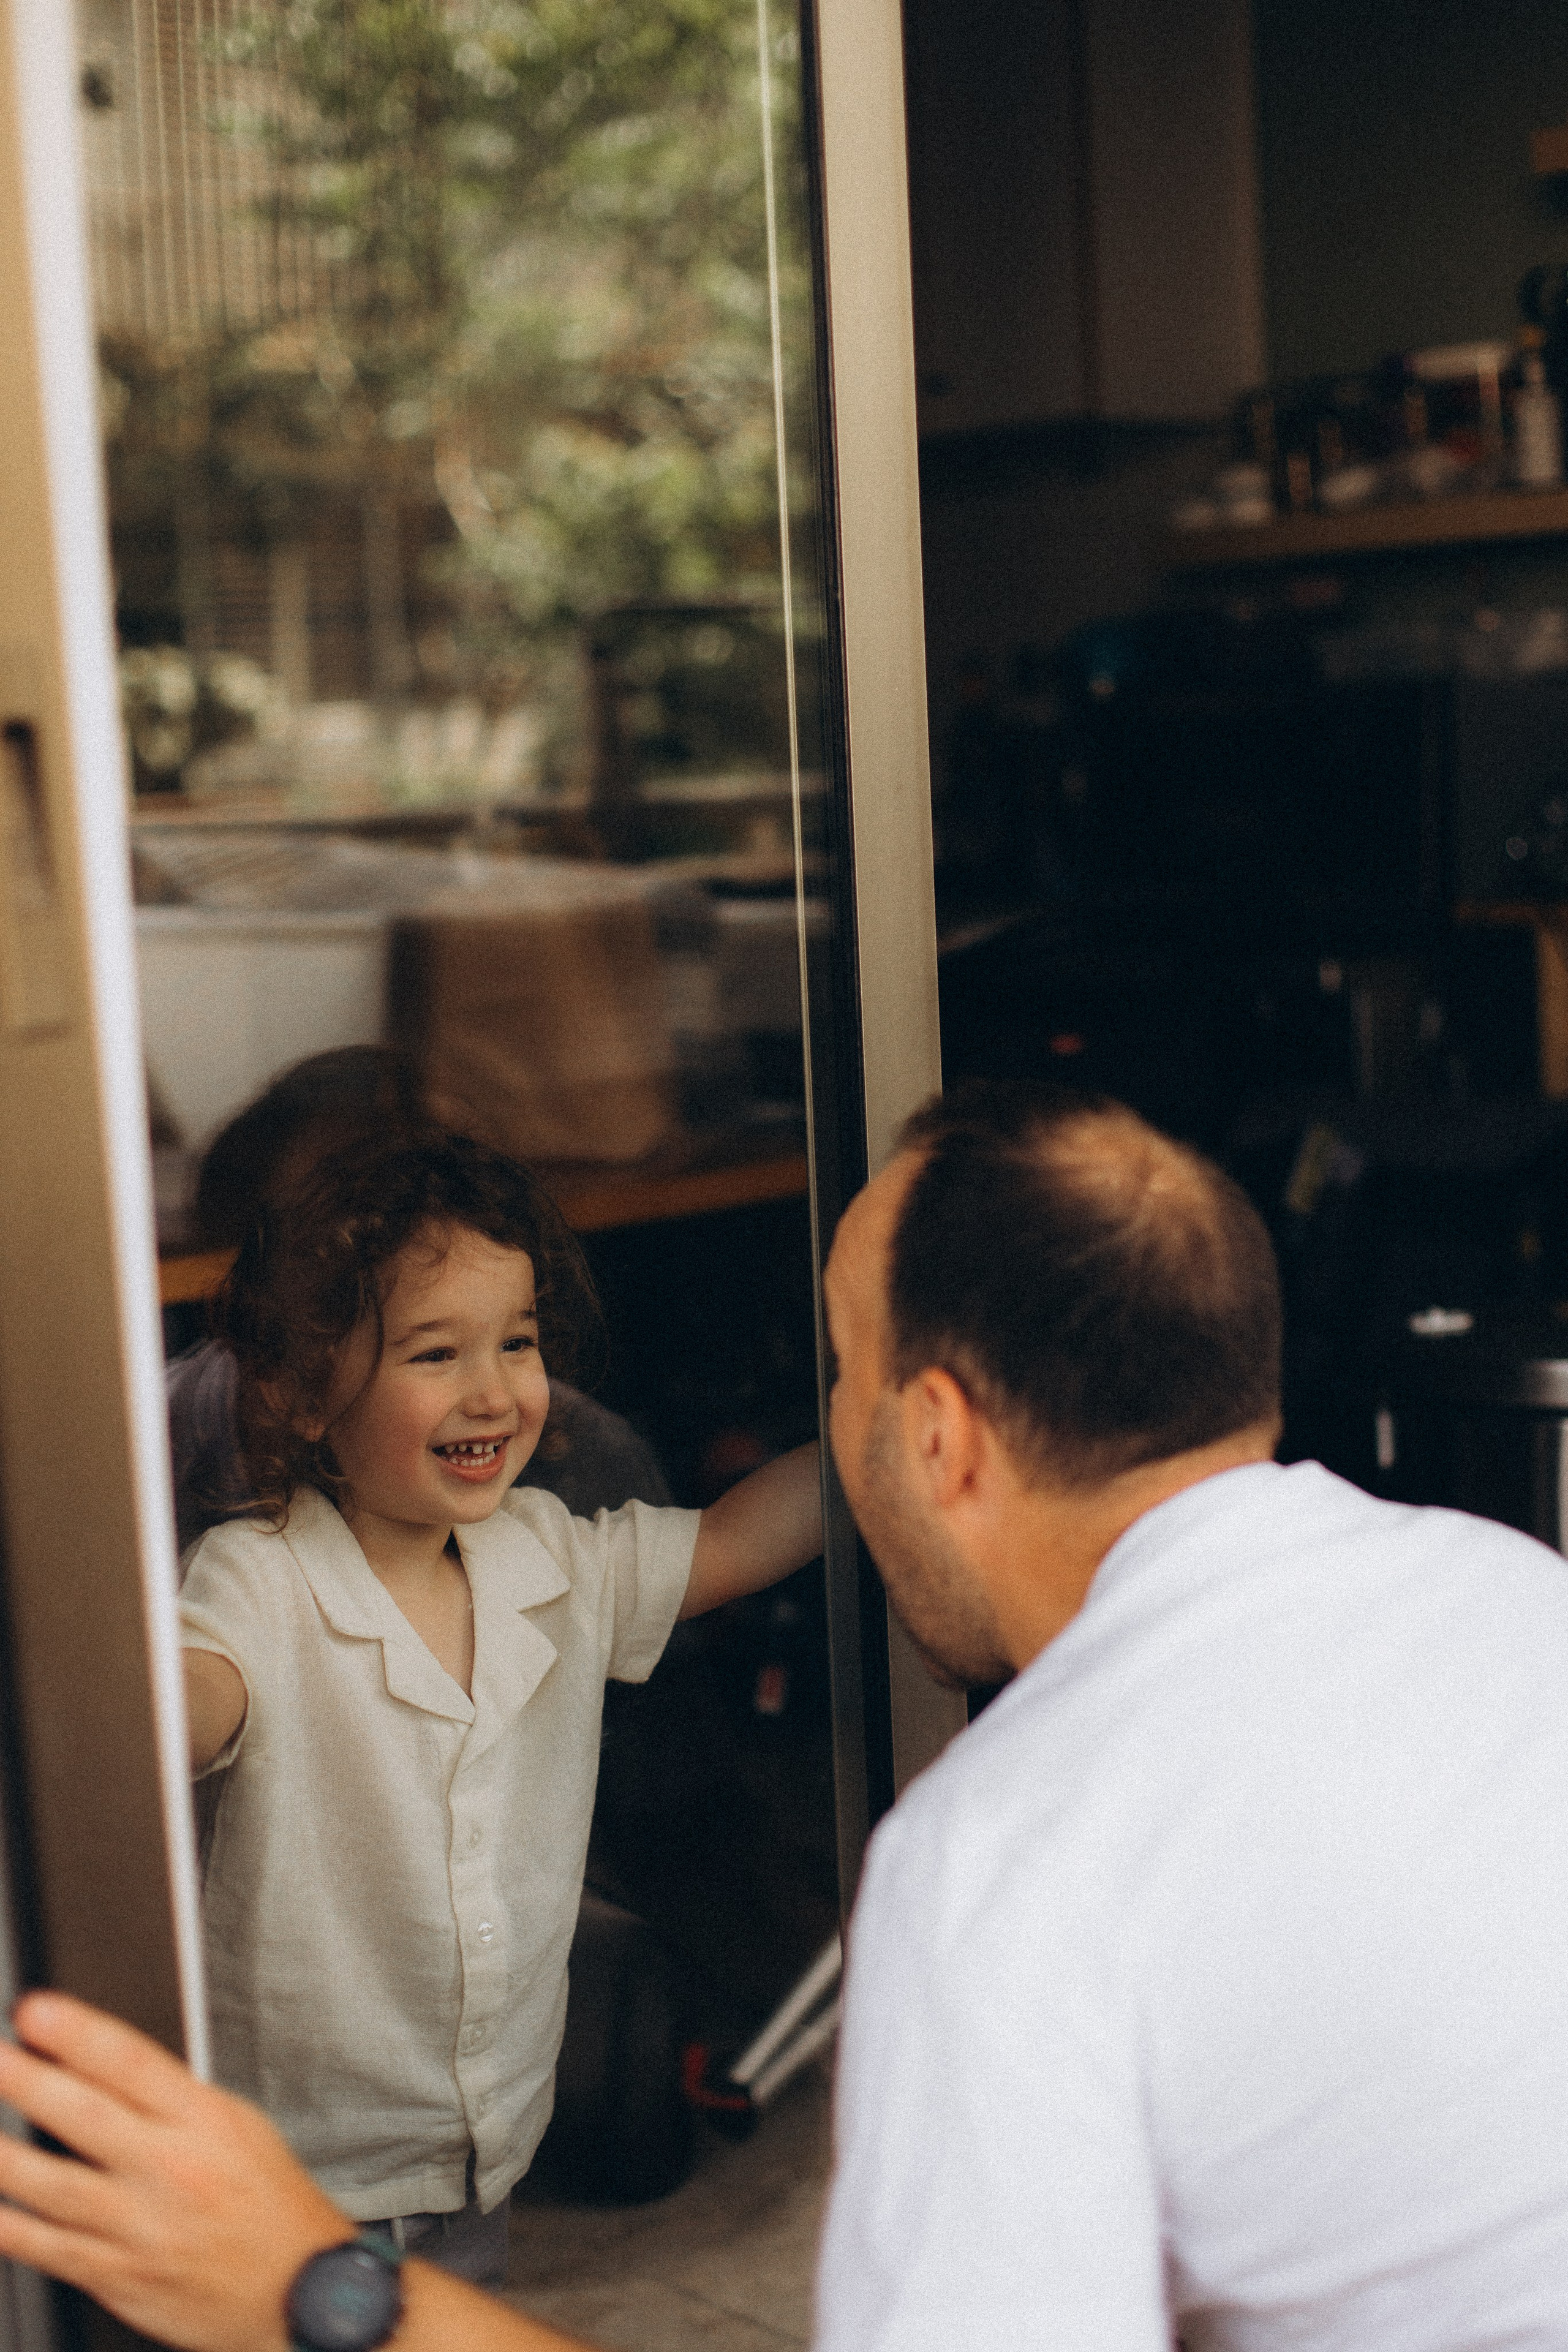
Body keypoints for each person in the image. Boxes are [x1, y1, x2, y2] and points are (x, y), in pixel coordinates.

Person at [6, 1083, 1568, 2350]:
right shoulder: (1516, 1598)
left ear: (938, 1435)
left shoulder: (1007, 1859)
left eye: (842, 1369)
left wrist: (319, 2294)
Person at [177, 1130, 822, 2286]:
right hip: (293, 2177)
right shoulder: (259, 1580)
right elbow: (193, 1695)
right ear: (302, 1394)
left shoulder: (546, 1556)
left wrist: (882, 1439)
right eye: (435, 1353)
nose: (495, 1391)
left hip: (478, 2157)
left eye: (517, 1343)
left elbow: (730, 1542)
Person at [167, 1046, 669, 1555]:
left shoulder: (577, 1454)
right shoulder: (145, 1461)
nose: (492, 1399)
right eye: (345, 1246)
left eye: (516, 1342)